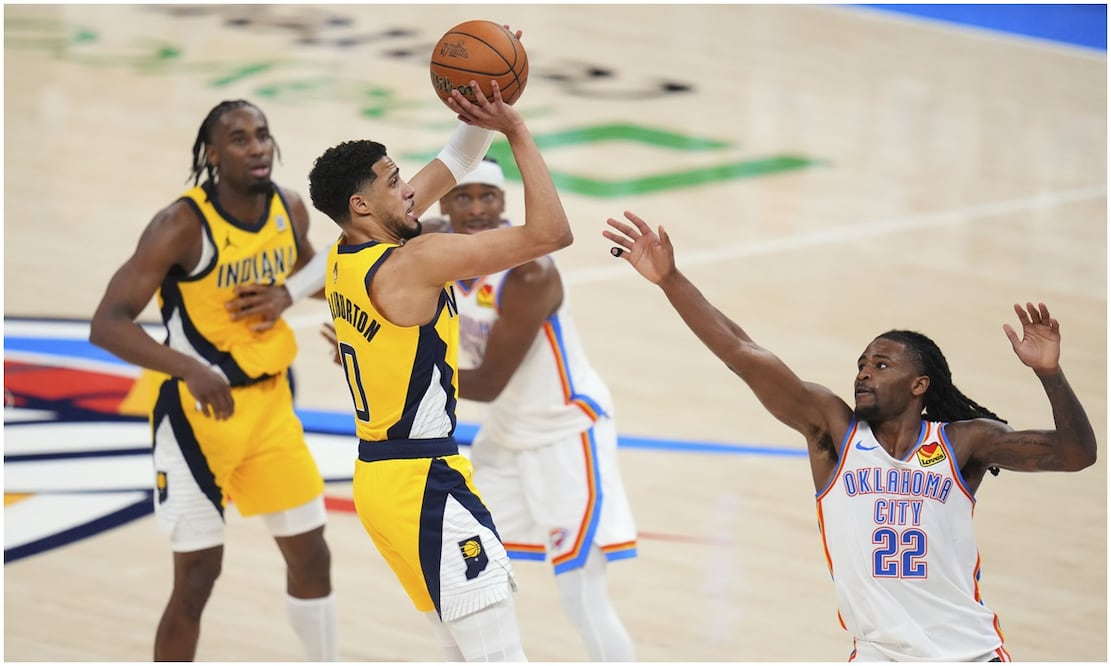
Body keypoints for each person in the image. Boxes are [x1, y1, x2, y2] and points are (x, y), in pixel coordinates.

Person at [603, 211, 1097, 662]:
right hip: (879, 653)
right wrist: (670, 281)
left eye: (881, 365)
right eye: (861, 364)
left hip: (967, 653)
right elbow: (742, 352)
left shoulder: (964, 442)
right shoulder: (834, 434)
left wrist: (1050, 374)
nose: (863, 374)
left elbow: (1076, 454)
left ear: (919, 385)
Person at [325, 159, 639, 661]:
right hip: (493, 439)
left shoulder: (527, 274)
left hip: (565, 430)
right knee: (465, 609)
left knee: (579, 591)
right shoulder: (420, 250)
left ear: (504, 202)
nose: (475, 208)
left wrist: (377, 356)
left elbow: (490, 381)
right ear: (443, 205)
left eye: (487, 197)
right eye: (463, 196)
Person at [307, 79, 573, 662]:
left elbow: (457, 159)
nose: (410, 190)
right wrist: (518, 130)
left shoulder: (345, 253)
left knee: (459, 654)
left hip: (380, 481)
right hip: (425, 482)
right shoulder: (416, 263)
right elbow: (552, 234)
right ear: (361, 204)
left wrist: (485, 99)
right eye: (395, 181)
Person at [89, 99, 337, 661]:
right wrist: (191, 369)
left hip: (271, 407)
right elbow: (106, 324)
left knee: (313, 556)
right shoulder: (180, 225)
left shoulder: (288, 208)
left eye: (263, 135)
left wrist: (296, 293)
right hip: (196, 415)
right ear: (212, 153)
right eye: (241, 139)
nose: (257, 148)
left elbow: (313, 277)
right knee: (198, 577)